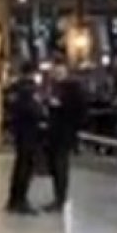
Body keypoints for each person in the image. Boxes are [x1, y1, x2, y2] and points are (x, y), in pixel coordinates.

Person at [43, 63, 87, 212]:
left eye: (59, 72)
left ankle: (60, 198)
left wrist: (60, 106)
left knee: (61, 166)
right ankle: (57, 197)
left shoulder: (72, 90)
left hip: (64, 133)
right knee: (56, 166)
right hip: (54, 133)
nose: (56, 75)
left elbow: (78, 111)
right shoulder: (55, 89)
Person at [5, 62, 44, 216]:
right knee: (25, 167)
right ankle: (21, 199)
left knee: (19, 166)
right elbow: (32, 109)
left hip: (19, 132)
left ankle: (14, 199)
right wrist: (41, 111)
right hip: (29, 132)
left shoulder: (14, 89)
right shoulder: (27, 89)